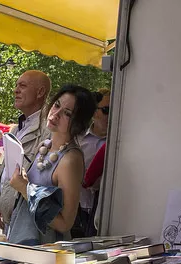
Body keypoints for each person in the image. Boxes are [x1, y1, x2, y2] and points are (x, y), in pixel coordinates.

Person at [8, 84, 97, 244]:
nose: (55, 114)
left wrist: (24, 188)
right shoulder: (45, 145)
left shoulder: (70, 159)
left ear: (79, 122)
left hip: (44, 252)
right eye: (56, 105)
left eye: (67, 113)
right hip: (23, 242)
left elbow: (65, 223)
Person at [0, 70, 51, 234]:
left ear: (40, 92)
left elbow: (45, 181)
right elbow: (9, 175)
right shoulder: (15, 129)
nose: (16, 90)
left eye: (23, 86)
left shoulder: (49, 130)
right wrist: (3, 208)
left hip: (30, 225)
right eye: (16, 85)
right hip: (11, 223)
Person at [76, 88, 110, 236]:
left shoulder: (121, 143)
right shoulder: (77, 139)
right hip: (77, 212)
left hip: (105, 215)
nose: (112, 115)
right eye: (107, 110)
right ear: (95, 112)